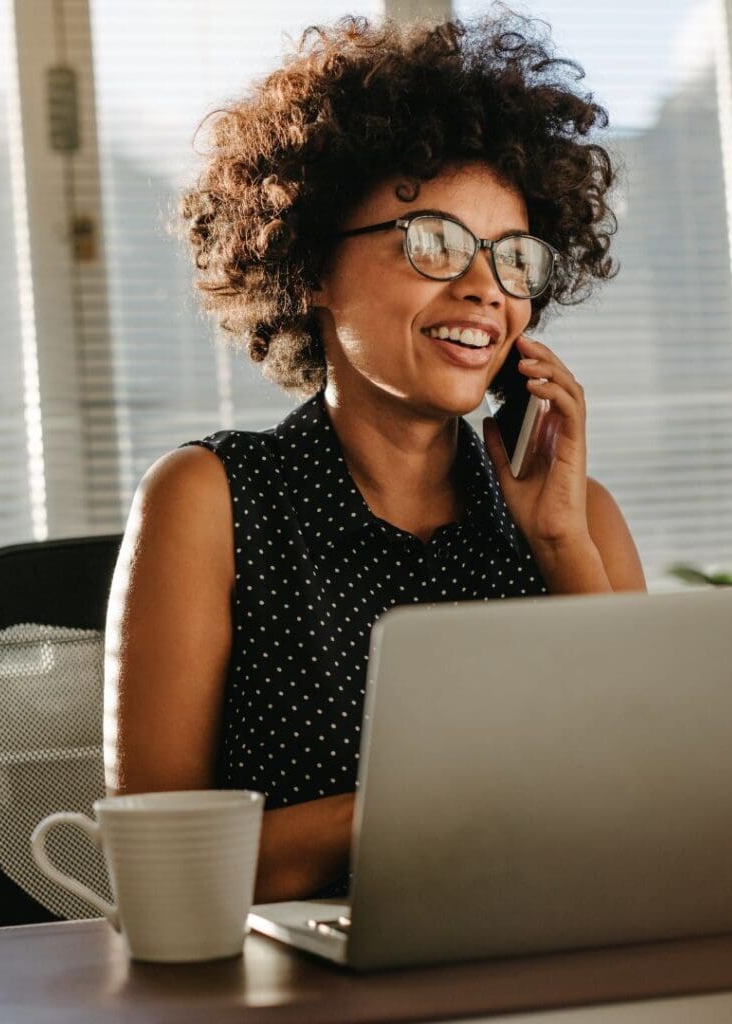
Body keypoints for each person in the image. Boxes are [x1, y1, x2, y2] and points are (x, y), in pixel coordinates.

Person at [103, 6, 647, 905]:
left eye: (514, 257)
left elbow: (657, 805)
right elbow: (160, 868)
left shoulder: (576, 517)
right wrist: (443, 800)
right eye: (433, 242)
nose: (484, 287)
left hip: (541, 957)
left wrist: (561, 550)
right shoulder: (209, 500)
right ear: (310, 266)